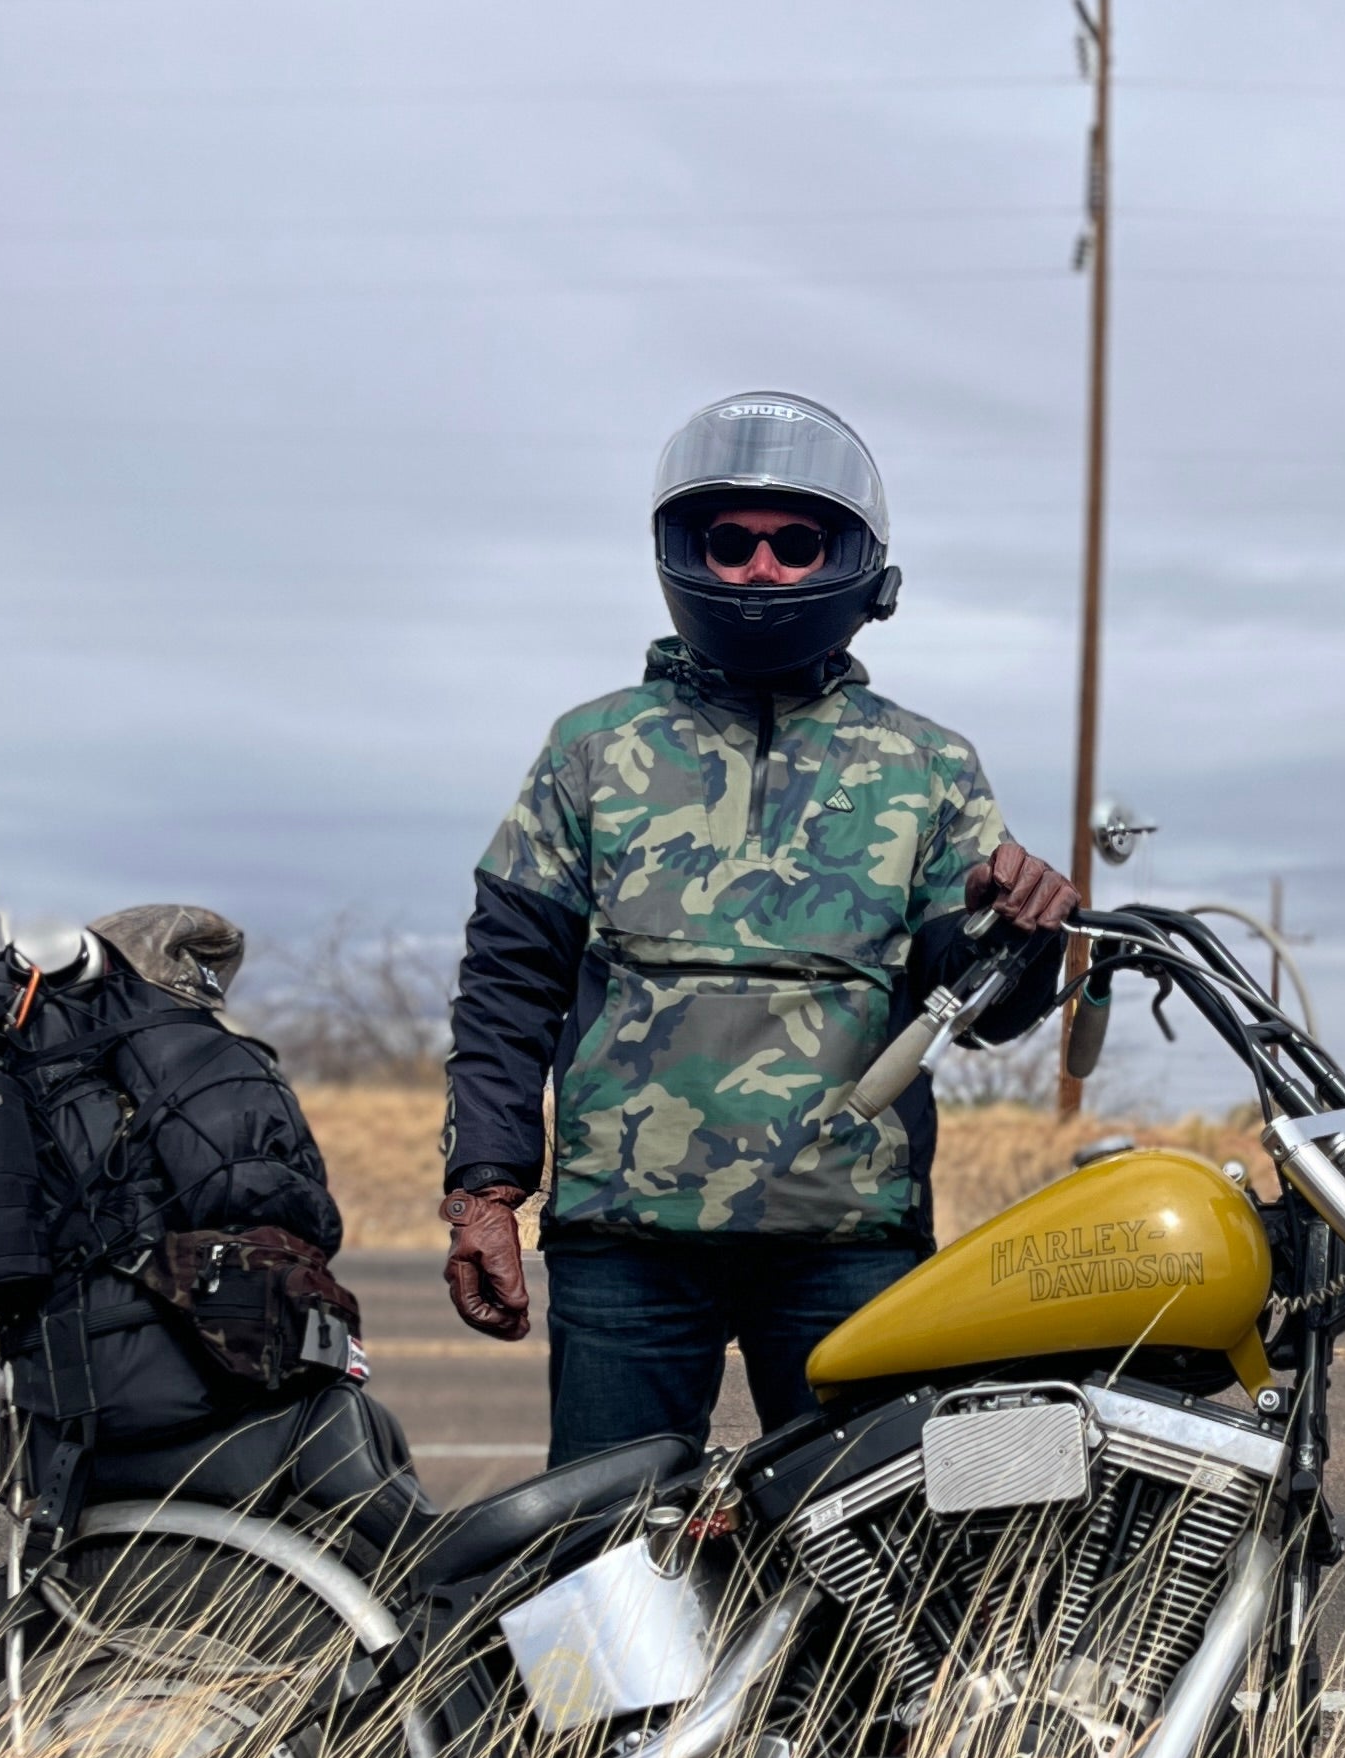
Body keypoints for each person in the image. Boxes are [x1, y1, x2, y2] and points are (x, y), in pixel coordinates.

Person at [439, 391, 1079, 1460]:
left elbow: (986, 1014)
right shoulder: (592, 749)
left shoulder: (928, 765)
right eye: (730, 544)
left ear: (853, 562)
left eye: (796, 544)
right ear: (687, 554)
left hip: (849, 1235)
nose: (761, 569)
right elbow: (508, 987)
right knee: (606, 1532)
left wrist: (1021, 925)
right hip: (625, 1237)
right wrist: (485, 1192)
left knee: (863, 1535)